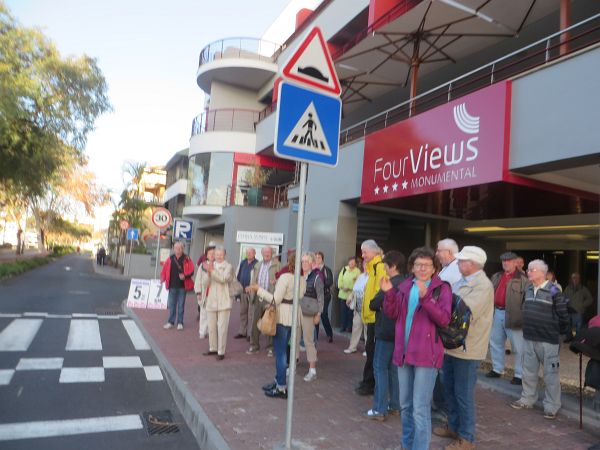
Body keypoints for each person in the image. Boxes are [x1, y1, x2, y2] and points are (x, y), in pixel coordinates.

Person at [381, 247, 451, 450]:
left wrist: (425, 298)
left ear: (434, 268)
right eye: (418, 264)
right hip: (403, 353)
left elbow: (444, 319)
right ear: (412, 267)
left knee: (420, 408)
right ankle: (406, 444)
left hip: (426, 356)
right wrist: (389, 294)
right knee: (405, 405)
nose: (422, 268)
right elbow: (393, 313)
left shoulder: (441, 288)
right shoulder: (405, 285)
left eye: (427, 265)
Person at [433, 246, 494, 450]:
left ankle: (467, 437)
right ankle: (453, 425)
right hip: (452, 345)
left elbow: (461, 310)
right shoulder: (461, 280)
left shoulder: (483, 285)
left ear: (473, 264)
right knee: (449, 389)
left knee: (463, 394)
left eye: (461, 261)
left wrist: (437, 301)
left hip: (468, 349)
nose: (458, 264)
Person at [510, 259, 569, 420]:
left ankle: (551, 406)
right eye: (528, 270)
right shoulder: (529, 289)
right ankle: (527, 399)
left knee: (551, 374)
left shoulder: (554, 290)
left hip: (548, 340)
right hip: (529, 337)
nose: (528, 272)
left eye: (531, 270)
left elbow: (563, 313)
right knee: (528, 372)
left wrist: (561, 333)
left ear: (542, 273)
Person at [249, 255, 306, 398]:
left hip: (283, 317)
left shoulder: (285, 277)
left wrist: (259, 289)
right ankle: (278, 380)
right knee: (284, 351)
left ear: (289, 263)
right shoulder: (302, 279)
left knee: (280, 353)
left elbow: (276, 299)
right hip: (294, 316)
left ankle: (281, 387)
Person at [364, 250, 406, 421]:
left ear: (393, 266)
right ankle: (395, 405)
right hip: (400, 332)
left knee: (380, 368)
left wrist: (381, 305)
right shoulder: (407, 283)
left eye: (386, 266)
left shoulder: (390, 283)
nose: (385, 269)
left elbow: (374, 304)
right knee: (394, 370)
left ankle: (379, 409)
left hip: (386, 331)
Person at [486, 251, 529, 385]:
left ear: (515, 263)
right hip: (497, 312)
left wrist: (522, 316)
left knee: (518, 347)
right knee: (495, 342)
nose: (505, 263)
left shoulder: (523, 279)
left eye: (509, 261)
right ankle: (497, 369)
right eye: (504, 261)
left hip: (514, 315)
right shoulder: (497, 276)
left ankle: (519, 374)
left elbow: (526, 300)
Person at [356, 240, 387, 396]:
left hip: (375, 317)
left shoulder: (379, 267)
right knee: (370, 350)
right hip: (371, 316)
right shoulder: (372, 268)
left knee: (372, 350)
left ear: (373, 252)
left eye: (364, 252)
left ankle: (369, 383)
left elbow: (380, 292)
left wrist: (372, 308)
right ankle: (368, 381)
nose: (362, 255)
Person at [198, 246, 234, 360]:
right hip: (211, 300)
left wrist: (211, 271)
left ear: (225, 255)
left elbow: (224, 279)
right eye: (216, 254)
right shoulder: (210, 266)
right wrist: (208, 274)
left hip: (224, 301)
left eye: (220, 254)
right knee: (212, 327)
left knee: (222, 328)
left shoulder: (228, 267)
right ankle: (213, 348)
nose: (218, 256)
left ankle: (221, 351)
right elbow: (205, 283)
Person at [247, 246, 280, 356]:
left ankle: (270, 348)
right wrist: (251, 290)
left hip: (269, 298)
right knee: (254, 323)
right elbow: (253, 280)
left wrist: (276, 282)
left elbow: (281, 280)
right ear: (261, 253)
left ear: (272, 253)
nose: (267, 254)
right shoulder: (257, 265)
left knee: (269, 322)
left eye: (269, 252)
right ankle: (254, 345)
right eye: (265, 252)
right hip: (257, 297)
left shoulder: (277, 265)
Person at [300, 252, 324, 382]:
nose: (304, 264)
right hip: (297, 312)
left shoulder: (316, 278)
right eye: (302, 261)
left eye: (306, 261)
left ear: (312, 263)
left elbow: (321, 298)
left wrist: (319, 314)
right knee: (294, 340)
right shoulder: (298, 276)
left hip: (309, 313)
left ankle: (312, 370)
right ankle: (292, 365)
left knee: (309, 341)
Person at [161, 241, 195, 330]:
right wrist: (162, 278)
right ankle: (170, 322)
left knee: (181, 305)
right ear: (173, 249)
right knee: (172, 305)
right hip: (172, 285)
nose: (178, 250)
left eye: (179, 248)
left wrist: (185, 275)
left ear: (182, 249)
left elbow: (192, 270)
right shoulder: (170, 258)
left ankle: (180, 322)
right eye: (176, 248)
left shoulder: (187, 258)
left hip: (182, 286)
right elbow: (164, 269)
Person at [344, 259, 368, 354]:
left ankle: (368, 349)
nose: (365, 266)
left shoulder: (373, 277)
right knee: (356, 326)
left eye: (367, 265)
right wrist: (350, 297)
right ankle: (352, 347)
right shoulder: (361, 276)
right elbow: (355, 289)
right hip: (358, 303)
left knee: (367, 329)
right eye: (364, 264)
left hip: (367, 305)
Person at [234, 247, 258, 340]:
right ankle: (242, 331)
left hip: (252, 292)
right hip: (243, 291)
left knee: (251, 313)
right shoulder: (243, 262)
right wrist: (237, 291)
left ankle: (250, 334)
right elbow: (238, 276)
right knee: (243, 312)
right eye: (247, 253)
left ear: (254, 253)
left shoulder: (257, 264)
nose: (249, 254)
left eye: (250, 253)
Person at [564, 272, 594, 342]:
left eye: (577, 278)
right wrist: (565, 302)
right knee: (568, 326)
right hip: (569, 311)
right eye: (574, 278)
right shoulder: (568, 288)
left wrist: (582, 305)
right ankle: (569, 338)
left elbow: (590, 299)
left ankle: (577, 340)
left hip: (578, 311)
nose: (575, 279)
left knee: (578, 328)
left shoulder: (583, 288)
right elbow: (563, 297)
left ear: (579, 279)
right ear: (571, 279)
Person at [195, 244, 216, 339]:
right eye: (210, 253)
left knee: (213, 315)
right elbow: (198, 279)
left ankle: (210, 331)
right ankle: (202, 331)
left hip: (215, 293)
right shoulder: (202, 266)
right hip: (204, 293)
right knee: (203, 313)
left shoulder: (218, 265)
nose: (212, 255)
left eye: (213, 253)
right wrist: (198, 292)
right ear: (206, 255)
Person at [337, 256, 361, 333]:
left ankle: (349, 327)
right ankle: (342, 326)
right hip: (343, 294)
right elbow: (339, 280)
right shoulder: (344, 269)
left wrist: (350, 287)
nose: (351, 264)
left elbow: (358, 283)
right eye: (350, 262)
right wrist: (341, 286)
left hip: (351, 295)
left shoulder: (358, 272)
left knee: (350, 312)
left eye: (353, 263)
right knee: (343, 312)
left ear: (355, 264)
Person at [315, 251, 334, 343]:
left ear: (322, 259)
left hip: (325, 295)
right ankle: (315, 336)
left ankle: (330, 334)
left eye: (319, 257)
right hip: (315, 296)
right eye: (316, 257)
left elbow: (330, 282)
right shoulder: (313, 269)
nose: (317, 259)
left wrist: (319, 285)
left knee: (323, 314)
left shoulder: (326, 270)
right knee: (316, 314)